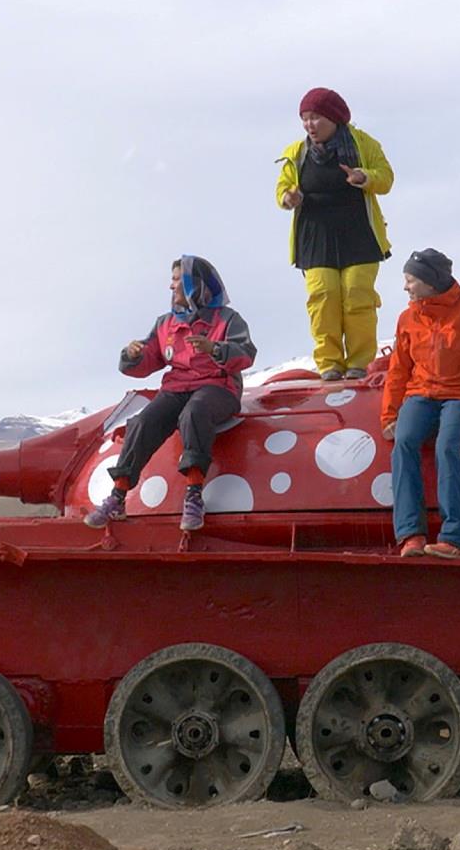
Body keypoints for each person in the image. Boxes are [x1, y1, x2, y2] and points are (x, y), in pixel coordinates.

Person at [86, 256, 256, 533]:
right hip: (177, 388)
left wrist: (214, 349)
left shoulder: (228, 319)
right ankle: (118, 496)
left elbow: (246, 354)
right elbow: (151, 358)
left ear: (195, 285)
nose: (171, 286)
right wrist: (133, 356)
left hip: (218, 387)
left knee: (195, 413)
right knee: (143, 422)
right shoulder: (165, 323)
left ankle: (194, 495)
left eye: (177, 280)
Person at [382, 249, 460, 559]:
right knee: (404, 443)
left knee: (447, 447)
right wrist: (389, 414)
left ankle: (457, 538)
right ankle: (411, 535)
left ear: (430, 281)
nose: (405, 287)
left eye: (410, 280)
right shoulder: (407, 318)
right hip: (421, 393)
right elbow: (398, 369)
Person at [275, 87, 394, 381]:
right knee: (323, 295)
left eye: (316, 117)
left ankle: (360, 363)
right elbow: (282, 190)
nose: (309, 125)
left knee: (357, 294)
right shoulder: (296, 153)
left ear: (335, 118)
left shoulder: (364, 144)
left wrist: (364, 176)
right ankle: (329, 364)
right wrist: (288, 198)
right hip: (315, 236)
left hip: (359, 233)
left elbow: (386, 178)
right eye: (305, 119)